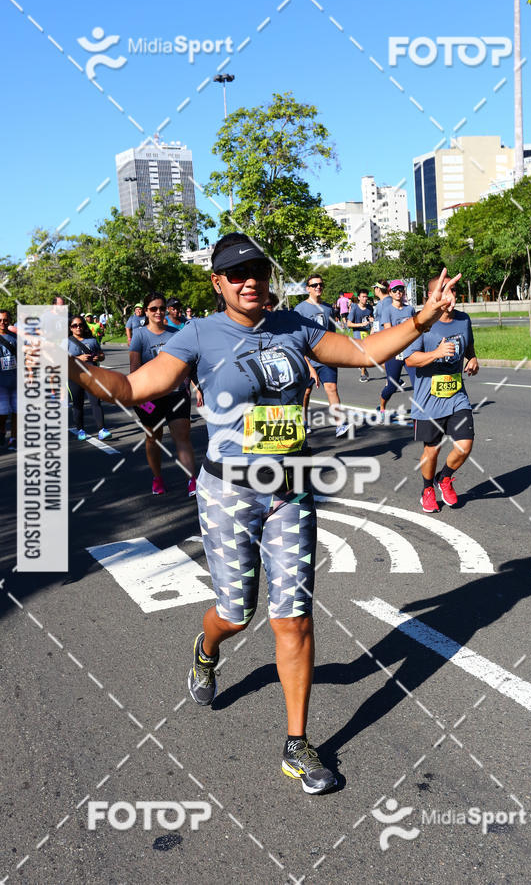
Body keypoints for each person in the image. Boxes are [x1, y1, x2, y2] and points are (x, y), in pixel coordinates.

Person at [66, 233, 457, 794]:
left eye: (257, 270)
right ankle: (206, 649)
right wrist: (73, 369)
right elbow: (130, 386)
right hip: (227, 494)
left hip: (289, 489)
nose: (250, 279)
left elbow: (364, 351)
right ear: (217, 282)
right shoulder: (199, 334)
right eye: (236, 272)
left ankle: (297, 744)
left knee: (294, 618)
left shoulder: (295, 326)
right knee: (235, 613)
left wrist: (420, 320)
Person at [404, 274, 479, 513]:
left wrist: (473, 358)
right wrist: (436, 354)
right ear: (432, 297)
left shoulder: (464, 320)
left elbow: (469, 346)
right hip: (429, 401)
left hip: (457, 396)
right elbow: (410, 358)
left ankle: (444, 478)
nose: (450, 296)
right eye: (444, 291)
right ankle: (427, 488)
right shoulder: (422, 323)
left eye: (453, 291)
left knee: (465, 445)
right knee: (432, 449)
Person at [129, 291, 196, 497]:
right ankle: (157, 478)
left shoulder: (176, 333)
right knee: (153, 438)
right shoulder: (140, 335)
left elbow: (187, 363)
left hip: (176, 394)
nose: (158, 312)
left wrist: (195, 385)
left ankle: (192, 481)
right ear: (146, 312)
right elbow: (134, 368)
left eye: (161, 308)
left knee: (182, 436)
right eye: (153, 309)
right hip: (150, 395)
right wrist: (141, 397)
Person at [294, 274, 349, 438]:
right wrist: (305, 361)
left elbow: (332, 333)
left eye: (320, 284)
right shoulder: (300, 309)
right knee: (305, 392)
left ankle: (339, 424)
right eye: (314, 285)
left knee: (331, 388)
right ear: (308, 289)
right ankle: (303, 422)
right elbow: (298, 338)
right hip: (307, 358)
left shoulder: (328, 308)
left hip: (326, 357)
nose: (318, 287)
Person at [376, 281, 416, 423]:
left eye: (400, 290)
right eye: (395, 290)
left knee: (417, 383)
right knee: (392, 386)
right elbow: (388, 332)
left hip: (410, 351)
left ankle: (419, 413)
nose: (398, 292)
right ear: (390, 292)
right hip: (394, 352)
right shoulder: (387, 310)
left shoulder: (410, 309)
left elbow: (414, 329)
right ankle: (381, 407)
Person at [67, 316, 112, 441]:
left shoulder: (91, 340)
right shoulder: (66, 342)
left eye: (80, 324)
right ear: (70, 328)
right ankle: (81, 430)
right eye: (74, 325)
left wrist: (99, 357)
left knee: (96, 401)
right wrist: (78, 359)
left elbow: (102, 355)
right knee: (78, 404)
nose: (78, 327)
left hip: (92, 376)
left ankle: (102, 429)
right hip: (74, 377)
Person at [0, 309, 17, 450]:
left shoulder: (15, 338)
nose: (2, 323)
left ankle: (14, 438)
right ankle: (2, 430)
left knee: (17, 411)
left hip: (16, 380)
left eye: (5, 320)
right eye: (0, 320)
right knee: (3, 413)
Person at [347, 288, 373, 381]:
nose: (365, 299)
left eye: (366, 297)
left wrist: (372, 320)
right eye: (363, 297)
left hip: (367, 332)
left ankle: (363, 367)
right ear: (358, 297)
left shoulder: (370, 308)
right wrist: (361, 324)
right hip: (358, 332)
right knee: (363, 352)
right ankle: (362, 374)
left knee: (367, 353)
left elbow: (371, 318)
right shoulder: (354, 309)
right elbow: (348, 324)